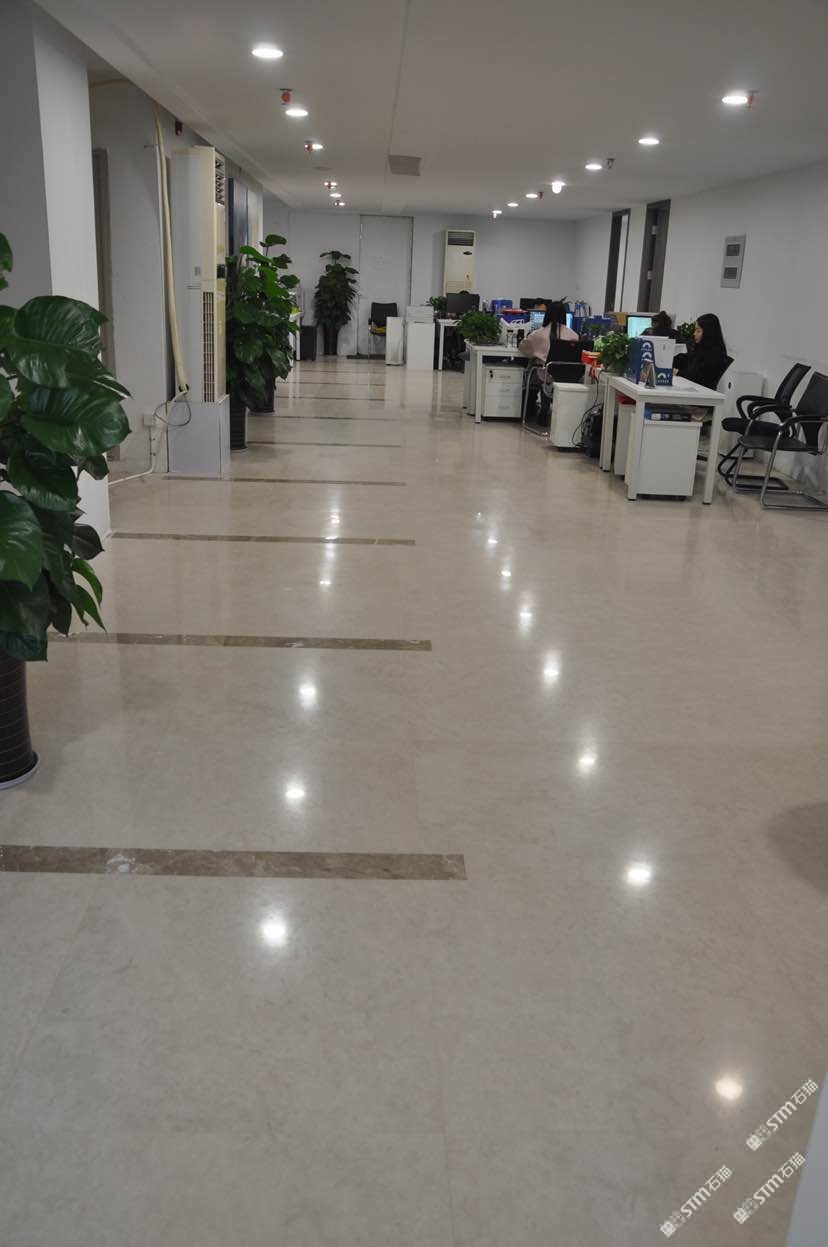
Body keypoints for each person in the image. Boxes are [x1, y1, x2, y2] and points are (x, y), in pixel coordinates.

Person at [674, 313, 730, 389]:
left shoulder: (714, 354)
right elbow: (685, 358)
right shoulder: (701, 349)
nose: (694, 334)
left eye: (698, 331)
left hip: (701, 391)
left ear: (708, 333)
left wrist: (678, 372)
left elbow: (698, 378)